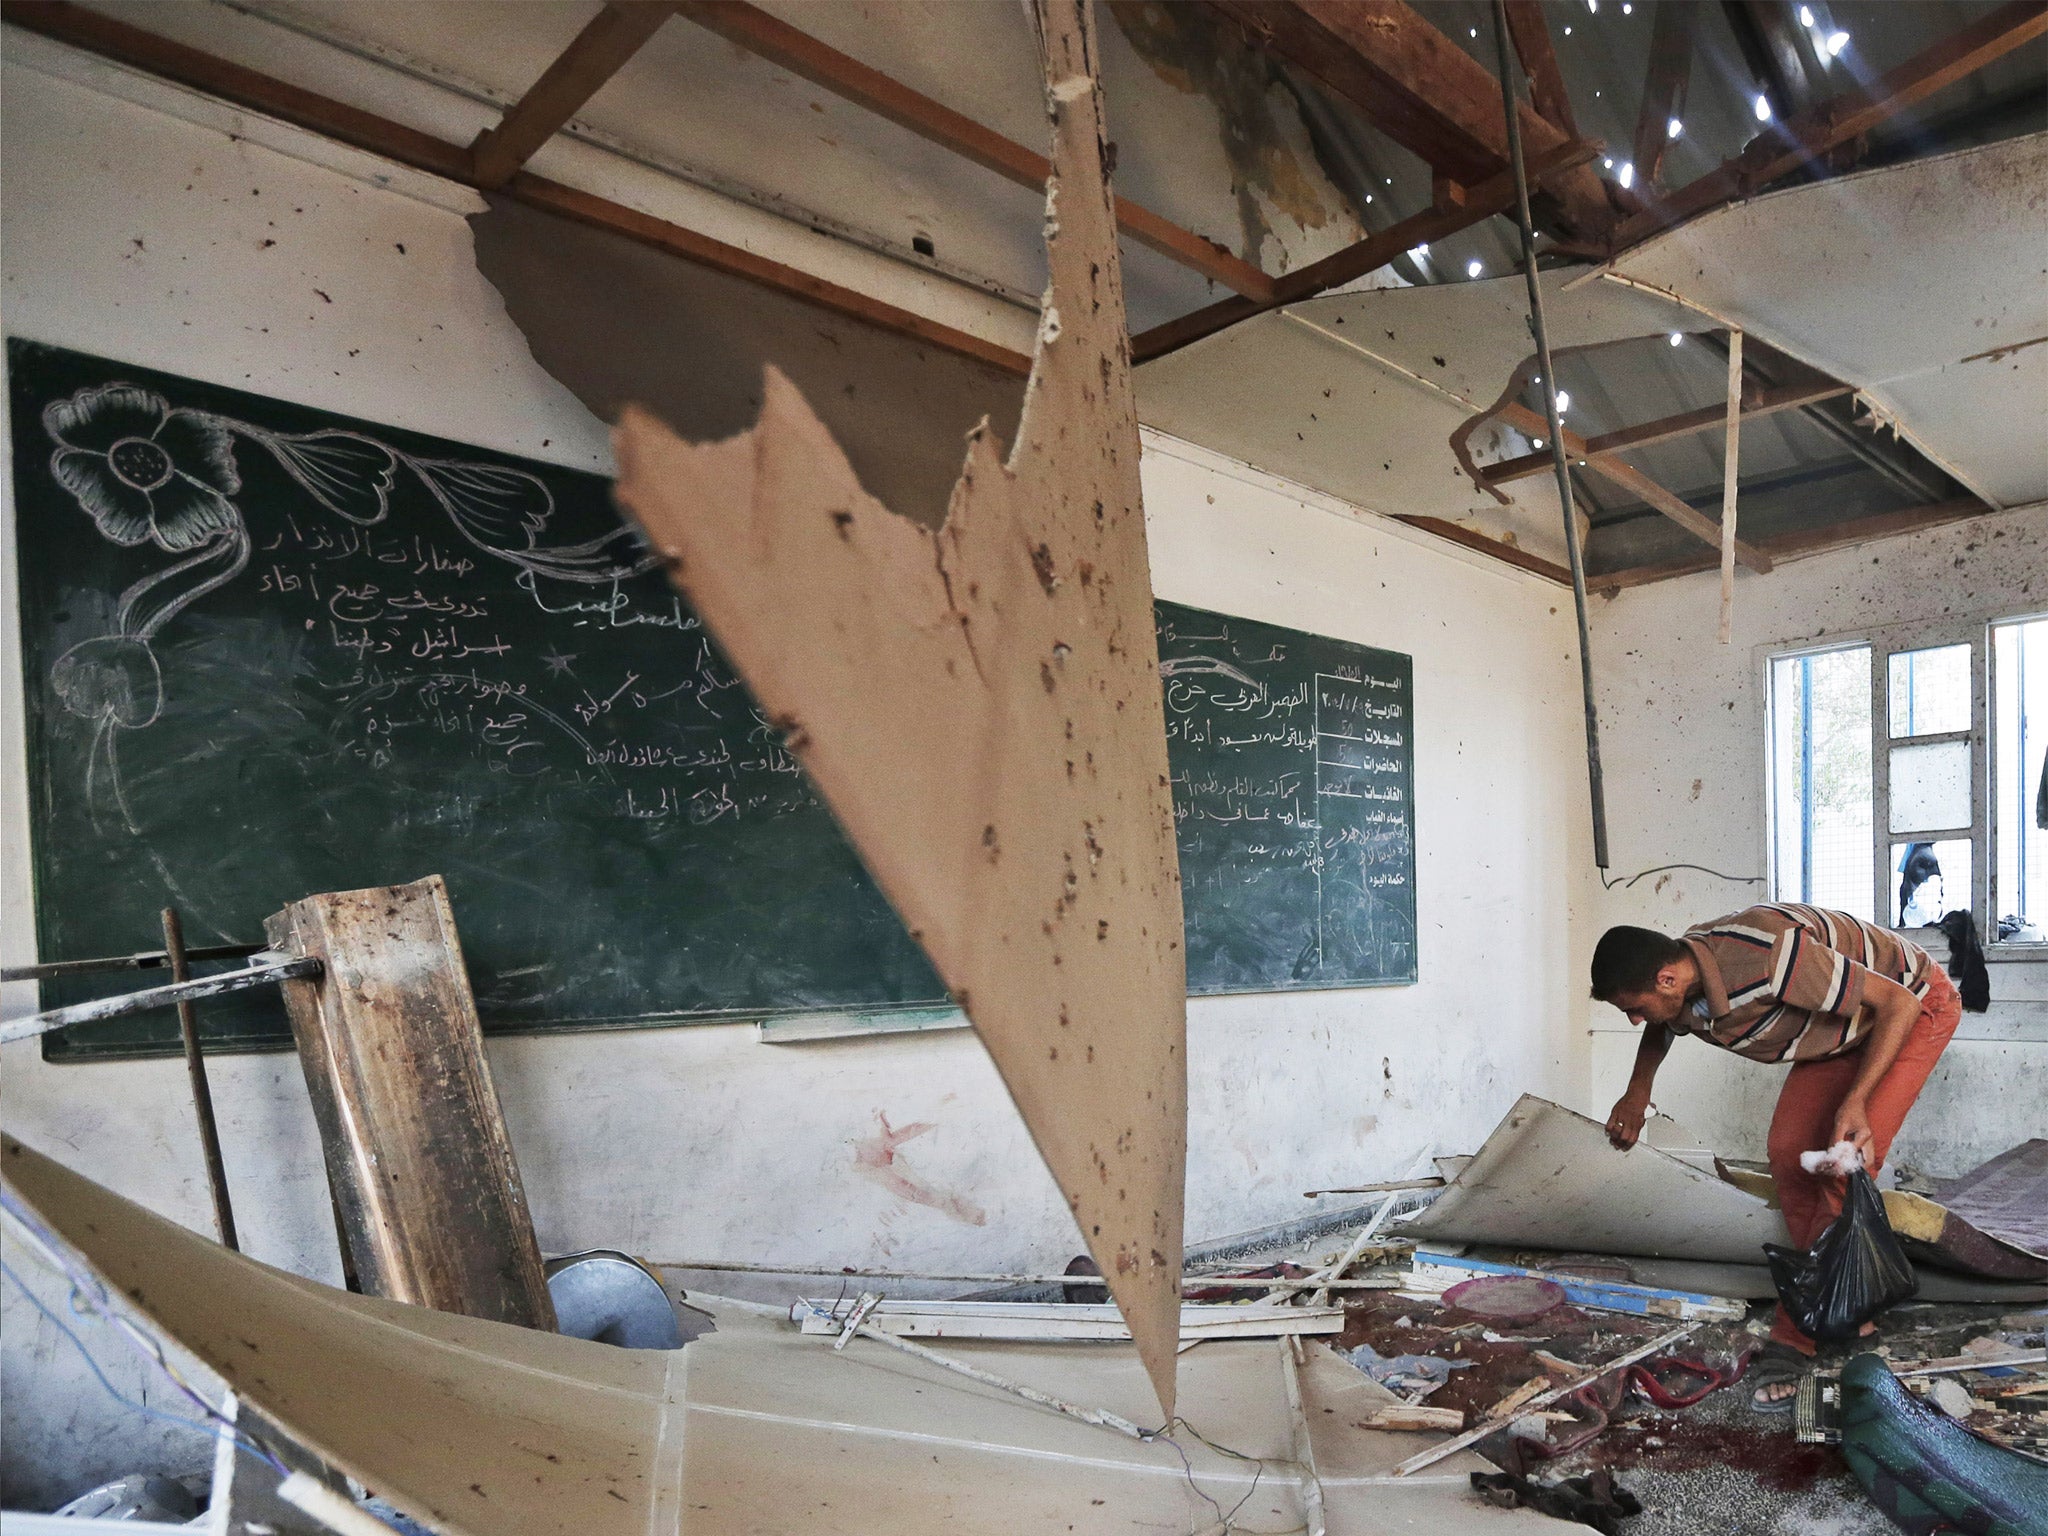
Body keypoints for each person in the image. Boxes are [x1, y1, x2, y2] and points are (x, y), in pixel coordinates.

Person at [1589, 903, 1961, 1412]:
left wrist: (1856, 1102)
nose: (1635, 1020)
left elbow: (1897, 1004)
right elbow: (1663, 1024)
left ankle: (1795, 1336)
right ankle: (1849, 1303)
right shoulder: (1687, 980)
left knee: (1840, 1166)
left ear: (1667, 978)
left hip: (1913, 1007)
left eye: (1634, 1007)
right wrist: (1636, 1093)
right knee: (1789, 1156)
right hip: (1844, 1030)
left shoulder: (1768, 957)